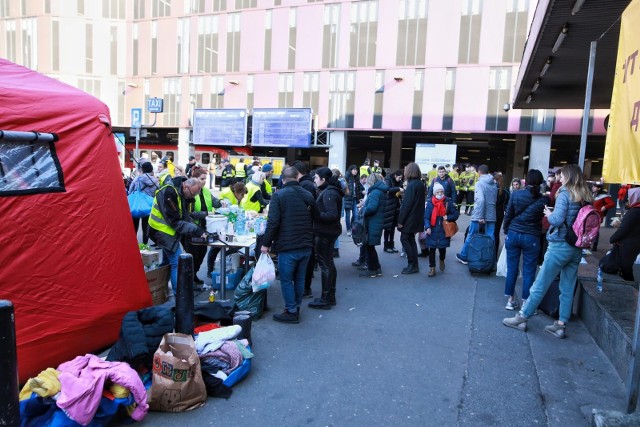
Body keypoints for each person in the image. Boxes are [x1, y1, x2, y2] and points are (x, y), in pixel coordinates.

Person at [503, 164, 592, 339]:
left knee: (540, 283)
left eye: (562, 175)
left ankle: (522, 317)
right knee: (567, 287)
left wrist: (549, 214)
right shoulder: (586, 195)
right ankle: (561, 325)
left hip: (560, 244)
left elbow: (558, 220)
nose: (560, 178)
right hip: (576, 247)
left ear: (568, 176)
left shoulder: (566, 193)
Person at [261, 167, 316, 324]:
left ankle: (291, 311)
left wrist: (266, 244)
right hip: (306, 245)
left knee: (286, 279)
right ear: (297, 177)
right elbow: (315, 217)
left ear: (283, 179)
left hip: (288, 245)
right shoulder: (308, 194)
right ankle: (296, 307)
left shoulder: (279, 195)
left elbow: (273, 222)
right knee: (299, 278)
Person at [148, 176, 206, 293]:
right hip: (161, 231)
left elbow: (184, 216)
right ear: (186, 186)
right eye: (192, 194)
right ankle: (179, 296)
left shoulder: (181, 192)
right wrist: (197, 230)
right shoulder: (169, 192)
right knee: (177, 262)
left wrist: (198, 228)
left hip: (166, 230)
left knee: (166, 262)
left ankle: (157, 288)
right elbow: (176, 222)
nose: (192, 197)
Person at [502, 169, 548, 311]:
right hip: (532, 236)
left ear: (525, 181)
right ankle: (526, 305)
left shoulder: (515, 195)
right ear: (541, 182)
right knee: (529, 271)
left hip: (514, 234)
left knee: (512, 269)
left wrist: (506, 231)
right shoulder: (544, 199)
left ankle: (510, 300)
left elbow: (508, 215)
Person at [307, 167, 343, 310]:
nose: (314, 180)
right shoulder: (331, 191)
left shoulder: (329, 193)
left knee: (325, 265)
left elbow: (332, 214)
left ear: (323, 179)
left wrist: (315, 214)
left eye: (316, 178)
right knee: (328, 263)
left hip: (325, 233)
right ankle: (330, 296)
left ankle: (325, 298)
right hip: (329, 232)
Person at [186, 167, 224, 286]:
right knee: (192, 256)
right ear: (194, 179)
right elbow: (189, 214)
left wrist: (222, 202)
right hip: (193, 229)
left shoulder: (206, 191)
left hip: (205, 228)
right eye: (202, 179)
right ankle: (189, 280)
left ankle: (194, 275)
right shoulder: (190, 193)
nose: (204, 181)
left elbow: (214, 202)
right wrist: (207, 214)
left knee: (201, 254)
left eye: (205, 178)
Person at [456, 164, 497, 265]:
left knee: (471, 235)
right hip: (492, 214)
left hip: (479, 214)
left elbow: (481, 200)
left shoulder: (479, 183)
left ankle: (464, 256)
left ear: (479, 172)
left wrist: (481, 216)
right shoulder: (494, 183)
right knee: (491, 236)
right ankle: (491, 260)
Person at [291, 161, 318, 299]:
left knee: (306, 260)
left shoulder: (305, 185)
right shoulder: (307, 184)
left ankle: (305, 288)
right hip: (308, 227)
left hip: (306, 227)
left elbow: (307, 207)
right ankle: (304, 287)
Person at [424, 182, 459, 277]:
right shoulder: (430, 203)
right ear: (434, 193)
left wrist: (448, 217)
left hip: (444, 230)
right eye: (437, 192)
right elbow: (426, 217)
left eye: (441, 192)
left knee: (442, 249)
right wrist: (427, 227)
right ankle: (432, 268)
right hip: (432, 229)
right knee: (432, 250)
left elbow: (456, 214)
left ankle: (442, 260)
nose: (440, 194)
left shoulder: (448, 202)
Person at [397, 162, 426, 274]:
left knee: (404, 239)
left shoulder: (412, 185)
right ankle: (414, 264)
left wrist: (401, 221)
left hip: (410, 218)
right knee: (411, 240)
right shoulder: (419, 183)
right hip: (416, 217)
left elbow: (406, 205)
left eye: (406, 170)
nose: (404, 172)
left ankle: (412, 264)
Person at [607, 187, 640, 281]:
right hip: (636, 243)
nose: (628, 199)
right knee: (626, 267)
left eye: (630, 197)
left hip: (629, 244)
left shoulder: (635, 211)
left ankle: (630, 289)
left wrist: (612, 238)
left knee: (626, 268)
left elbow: (624, 229)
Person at [359, 173, 389, 278]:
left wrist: (363, 210)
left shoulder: (375, 192)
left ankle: (372, 269)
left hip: (373, 222)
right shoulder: (380, 191)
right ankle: (377, 269)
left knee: (369, 246)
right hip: (376, 221)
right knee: (370, 246)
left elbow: (372, 207)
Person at [128, 160, 159, 245]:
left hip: (136, 205)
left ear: (143, 170)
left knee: (135, 225)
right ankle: (145, 244)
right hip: (148, 205)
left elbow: (130, 190)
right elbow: (157, 191)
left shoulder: (138, 178)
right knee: (146, 226)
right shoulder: (155, 180)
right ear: (151, 169)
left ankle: (133, 244)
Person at [590, 181, 615, 251]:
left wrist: (604, 207)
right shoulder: (593, 194)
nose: (592, 188)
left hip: (598, 215)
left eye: (594, 187)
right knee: (592, 230)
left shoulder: (604, 196)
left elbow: (612, 203)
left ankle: (594, 245)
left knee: (595, 231)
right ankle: (590, 244)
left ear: (598, 188)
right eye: (593, 186)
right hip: (592, 214)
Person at [383, 170, 403, 253]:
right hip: (388, 207)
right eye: (399, 177)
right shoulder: (388, 180)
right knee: (387, 227)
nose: (400, 179)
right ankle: (386, 246)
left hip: (396, 207)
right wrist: (398, 188)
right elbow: (388, 190)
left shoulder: (399, 182)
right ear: (395, 175)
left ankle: (392, 244)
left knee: (393, 228)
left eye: (401, 178)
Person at [493, 171, 510, 258]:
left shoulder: (492, 189)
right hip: (500, 214)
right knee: (496, 234)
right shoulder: (506, 190)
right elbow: (507, 204)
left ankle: (489, 253)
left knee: (490, 233)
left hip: (491, 214)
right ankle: (495, 255)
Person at [344, 165, 363, 238]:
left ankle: (353, 228)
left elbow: (359, 189)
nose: (355, 171)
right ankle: (349, 229)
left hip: (355, 198)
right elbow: (343, 187)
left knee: (355, 214)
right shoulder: (347, 177)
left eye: (356, 170)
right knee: (348, 215)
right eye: (354, 170)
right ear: (350, 170)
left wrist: (360, 196)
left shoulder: (357, 178)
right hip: (347, 198)